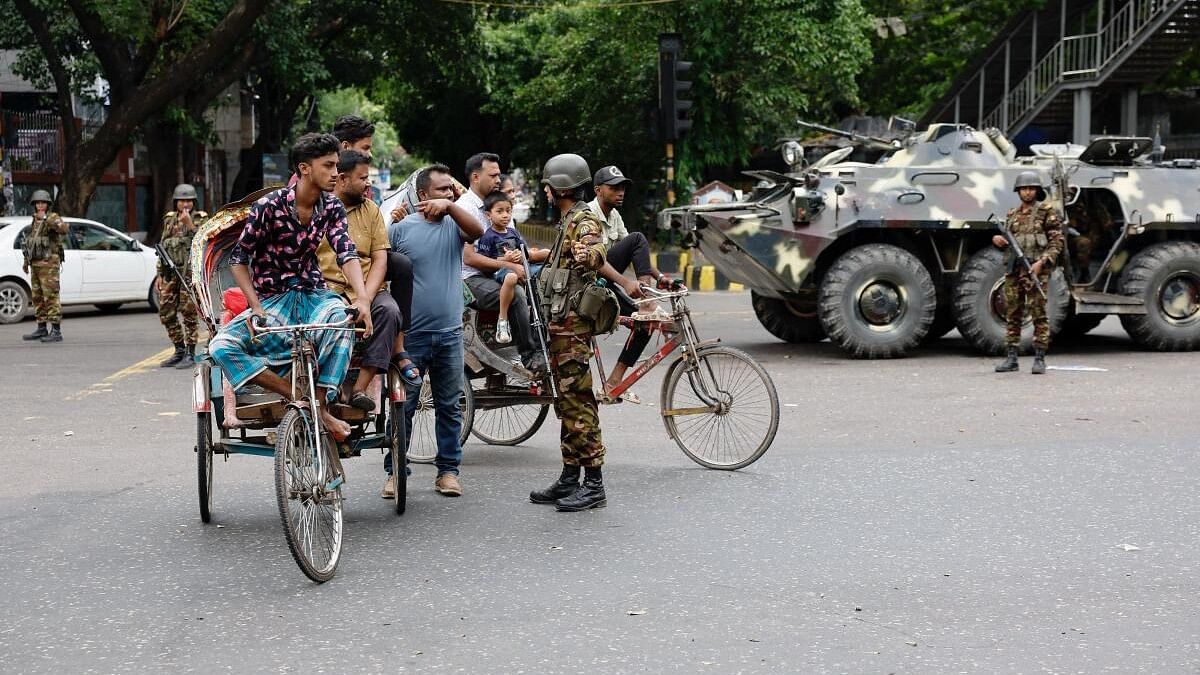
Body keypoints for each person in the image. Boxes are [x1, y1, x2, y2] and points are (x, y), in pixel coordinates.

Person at [208, 133, 374, 442]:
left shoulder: (332, 208)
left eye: (336, 165)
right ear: (304, 168)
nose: (336, 173)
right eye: (328, 166)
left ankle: (320, 401)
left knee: (342, 316)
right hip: (273, 302)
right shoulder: (267, 207)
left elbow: (346, 252)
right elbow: (239, 259)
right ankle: (302, 399)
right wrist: (255, 306)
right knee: (219, 347)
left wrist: (362, 299)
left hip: (313, 296)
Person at [389, 163, 485, 497]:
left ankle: (447, 471)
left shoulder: (454, 226)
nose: (447, 194)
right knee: (405, 405)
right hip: (411, 335)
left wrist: (452, 206)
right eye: (441, 190)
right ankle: (396, 471)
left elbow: (479, 232)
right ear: (422, 195)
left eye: (451, 189)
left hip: (449, 333)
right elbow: (383, 266)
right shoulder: (400, 230)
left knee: (448, 405)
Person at [529, 153, 610, 512]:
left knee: (579, 401)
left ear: (559, 187)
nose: (545, 190)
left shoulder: (583, 220)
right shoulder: (566, 220)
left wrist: (587, 254)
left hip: (573, 329)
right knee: (566, 401)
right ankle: (569, 476)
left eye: (548, 185)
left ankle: (593, 484)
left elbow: (596, 249)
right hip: (561, 325)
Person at [317, 150, 418, 427]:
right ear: (341, 179)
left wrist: (366, 298)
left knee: (388, 311)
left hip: (366, 284)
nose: (368, 184)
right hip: (328, 288)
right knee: (330, 318)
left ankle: (359, 388)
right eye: (362, 179)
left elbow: (380, 259)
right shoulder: (317, 208)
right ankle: (327, 390)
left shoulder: (371, 210)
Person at [587, 165, 677, 400]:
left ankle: (613, 384)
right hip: (587, 282)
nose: (621, 192)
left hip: (605, 283)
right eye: (614, 187)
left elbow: (637, 252)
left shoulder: (613, 215)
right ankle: (647, 304)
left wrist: (660, 278)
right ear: (598, 190)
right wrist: (627, 283)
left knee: (645, 325)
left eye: (623, 187)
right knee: (638, 238)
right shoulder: (587, 216)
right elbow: (595, 261)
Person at [457, 153, 547, 375]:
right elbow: (469, 258)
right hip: (469, 279)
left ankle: (544, 344)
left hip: (497, 273)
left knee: (543, 281)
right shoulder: (464, 208)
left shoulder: (501, 207)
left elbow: (515, 245)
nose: (499, 179)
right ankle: (530, 356)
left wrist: (524, 258)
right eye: (493, 175)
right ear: (476, 177)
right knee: (515, 293)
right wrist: (508, 265)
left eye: (499, 175)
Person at [993, 171, 1064, 375]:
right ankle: (1011, 358)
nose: (1027, 192)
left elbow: (1057, 242)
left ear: (1037, 191)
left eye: (1031, 188)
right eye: (1024, 188)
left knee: (1038, 314)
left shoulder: (1045, 212)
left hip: (1035, 270)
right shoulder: (1011, 214)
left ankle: (1040, 358)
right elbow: (1009, 243)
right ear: (1018, 191)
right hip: (1014, 271)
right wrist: (999, 241)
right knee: (1012, 313)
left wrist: (1042, 262)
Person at [472, 191, 549, 344]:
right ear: (488, 215)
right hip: (501, 271)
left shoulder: (513, 233)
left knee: (544, 271)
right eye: (499, 211)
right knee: (512, 277)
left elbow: (525, 252)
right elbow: (486, 261)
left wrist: (521, 256)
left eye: (508, 211)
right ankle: (503, 319)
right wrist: (504, 259)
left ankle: (542, 313)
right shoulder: (488, 236)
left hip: (520, 266)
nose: (505, 215)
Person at [157, 183, 208, 368]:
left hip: (188, 274)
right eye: (181, 201)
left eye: (188, 200)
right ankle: (178, 349)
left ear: (194, 201)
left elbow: (205, 243)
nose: (185, 204)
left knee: (189, 314)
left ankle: (190, 352)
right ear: (175, 202)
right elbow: (163, 247)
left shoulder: (200, 218)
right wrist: (160, 275)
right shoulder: (169, 220)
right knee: (166, 312)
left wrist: (190, 226)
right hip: (170, 273)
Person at [20, 190, 67, 343]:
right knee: (38, 297)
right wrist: (26, 262)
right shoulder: (34, 221)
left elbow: (64, 229)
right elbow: (32, 244)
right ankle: (41, 328)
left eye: (43, 203)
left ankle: (56, 331)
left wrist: (46, 218)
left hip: (49, 265)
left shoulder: (52, 217)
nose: (40, 205)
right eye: (37, 203)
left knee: (51, 297)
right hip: (36, 265)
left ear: (48, 204)